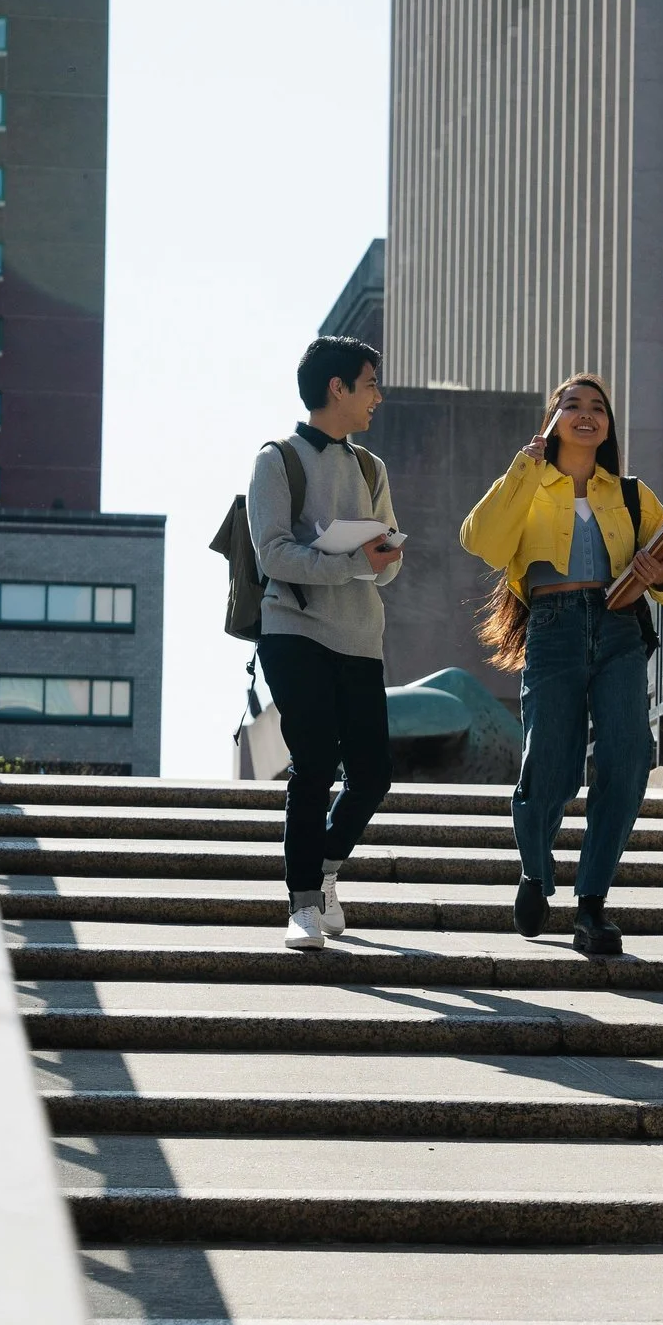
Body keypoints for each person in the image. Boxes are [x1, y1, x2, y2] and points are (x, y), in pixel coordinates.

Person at [459, 373, 663, 956]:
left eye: (598, 408)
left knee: (628, 756)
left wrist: (655, 573)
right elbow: (481, 541)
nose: (586, 415)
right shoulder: (527, 485)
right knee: (550, 768)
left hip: (618, 628)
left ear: (609, 425)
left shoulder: (632, 494)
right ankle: (536, 875)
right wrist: (524, 466)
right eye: (572, 405)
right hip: (553, 626)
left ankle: (591, 906)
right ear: (553, 418)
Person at [247, 335, 403, 951]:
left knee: (373, 776)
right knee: (314, 764)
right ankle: (304, 903)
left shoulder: (371, 468)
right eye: (369, 383)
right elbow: (271, 553)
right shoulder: (276, 459)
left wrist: (381, 558)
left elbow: (385, 564)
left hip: (360, 634)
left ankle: (327, 866)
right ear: (336, 388)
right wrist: (345, 561)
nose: (376, 396)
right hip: (293, 629)